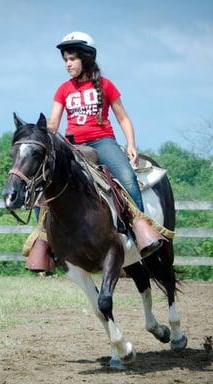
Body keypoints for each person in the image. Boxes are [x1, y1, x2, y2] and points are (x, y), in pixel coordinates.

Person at [47, 31, 166, 256]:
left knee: (128, 178)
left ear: (87, 57)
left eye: (72, 59)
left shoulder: (106, 85)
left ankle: (140, 230)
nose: (68, 64)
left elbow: (123, 118)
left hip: (102, 142)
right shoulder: (63, 89)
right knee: (46, 182)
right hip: (73, 146)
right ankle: (45, 241)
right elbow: (53, 123)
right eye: (65, 60)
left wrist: (131, 145)